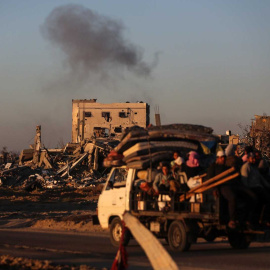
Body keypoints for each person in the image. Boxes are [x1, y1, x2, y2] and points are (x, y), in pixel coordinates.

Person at [207, 150, 238, 229]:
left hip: (228, 185)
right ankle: (232, 220)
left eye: (224, 158)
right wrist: (214, 189)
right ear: (218, 158)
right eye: (221, 158)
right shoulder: (213, 167)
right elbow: (210, 179)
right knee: (232, 198)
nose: (223, 159)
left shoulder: (226, 167)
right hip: (220, 186)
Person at [241, 152, 270, 226]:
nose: (254, 160)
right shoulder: (246, 167)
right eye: (252, 158)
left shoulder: (254, 167)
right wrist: (248, 191)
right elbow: (245, 181)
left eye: (254, 158)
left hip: (258, 187)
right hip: (252, 188)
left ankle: (261, 219)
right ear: (248, 159)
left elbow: (261, 178)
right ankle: (255, 220)